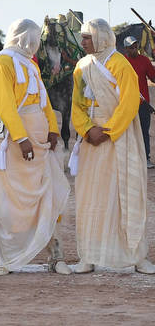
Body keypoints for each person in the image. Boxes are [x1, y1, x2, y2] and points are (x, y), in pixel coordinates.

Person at [0, 19, 70, 275]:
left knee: (47, 198)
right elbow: (6, 105)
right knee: (8, 199)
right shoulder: (2, 64)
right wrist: (21, 138)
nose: (36, 44)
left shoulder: (30, 65)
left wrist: (53, 129)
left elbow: (43, 100)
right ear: (21, 38)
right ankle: (8, 258)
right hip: (13, 145)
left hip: (41, 144)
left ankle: (56, 255)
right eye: (33, 39)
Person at [69, 19, 153, 274]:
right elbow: (77, 105)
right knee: (90, 198)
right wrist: (87, 129)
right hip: (92, 140)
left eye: (87, 37)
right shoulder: (82, 66)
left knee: (124, 195)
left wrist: (108, 131)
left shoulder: (120, 64)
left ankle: (137, 256)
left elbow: (129, 104)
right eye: (82, 37)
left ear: (101, 38)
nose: (82, 42)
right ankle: (88, 256)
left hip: (119, 138)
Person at [122, 36, 155, 167]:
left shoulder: (145, 60)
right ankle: (128, 160)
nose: (134, 50)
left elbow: (153, 77)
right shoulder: (122, 62)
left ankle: (145, 158)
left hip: (143, 104)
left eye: (136, 47)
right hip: (126, 103)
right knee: (127, 132)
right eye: (131, 48)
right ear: (126, 49)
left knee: (143, 132)